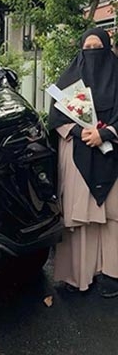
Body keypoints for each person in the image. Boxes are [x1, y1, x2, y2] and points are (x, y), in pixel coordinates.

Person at [49, 27, 118, 297]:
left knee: (112, 216)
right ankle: (77, 276)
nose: (92, 53)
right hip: (78, 153)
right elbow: (57, 117)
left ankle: (112, 274)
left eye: (97, 48)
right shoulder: (70, 78)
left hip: (113, 153)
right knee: (79, 219)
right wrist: (80, 131)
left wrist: (106, 133)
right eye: (87, 48)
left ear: (107, 48)